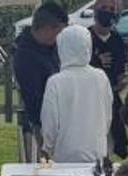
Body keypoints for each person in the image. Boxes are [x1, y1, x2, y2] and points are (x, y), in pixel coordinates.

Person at [41, 25, 112, 163]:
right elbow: (107, 115)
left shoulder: (56, 82)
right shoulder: (101, 77)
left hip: (64, 156)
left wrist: (47, 147)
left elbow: (50, 120)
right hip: (97, 153)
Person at [13, 1, 68, 159]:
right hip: (41, 122)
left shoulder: (51, 48)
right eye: (59, 31)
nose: (61, 37)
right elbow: (33, 97)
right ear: (46, 28)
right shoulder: (25, 56)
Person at [88, 0, 128, 159]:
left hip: (111, 98)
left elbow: (120, 71)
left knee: (111, 140)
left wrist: (123, 81)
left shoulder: (118, 41)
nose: (107, 11)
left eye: (111, 8)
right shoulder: (86, 37)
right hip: (90, 99)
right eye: (103, 7)